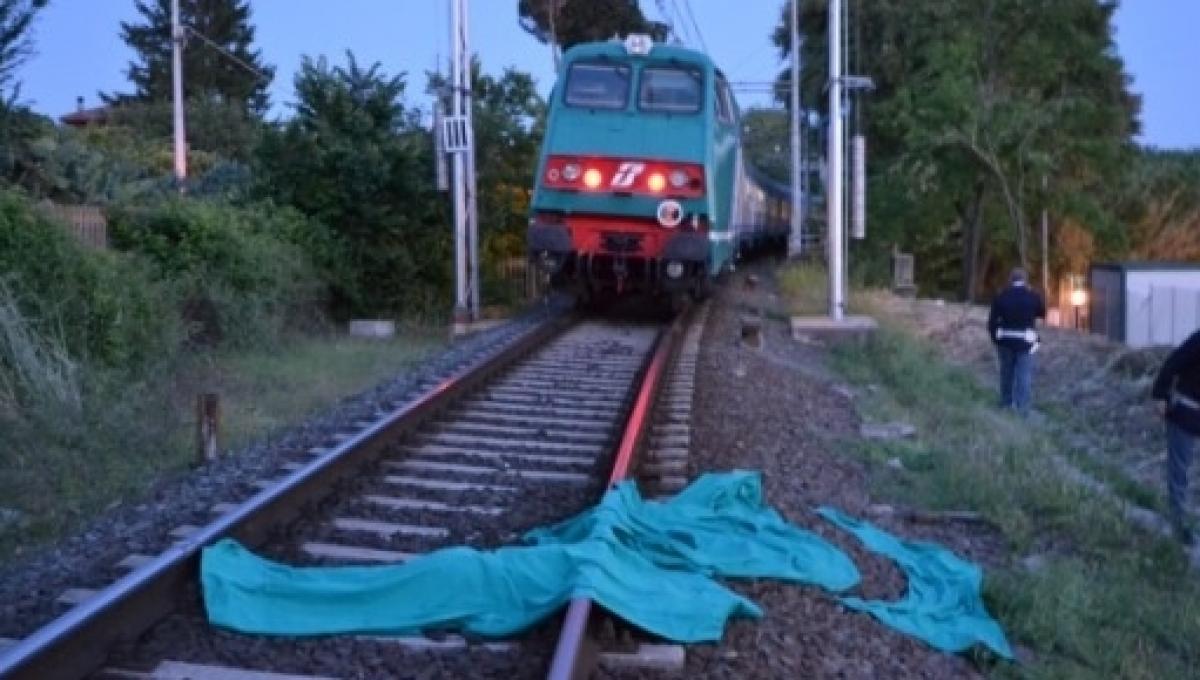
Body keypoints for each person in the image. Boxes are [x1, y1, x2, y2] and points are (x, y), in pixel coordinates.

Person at [1151, 329, 1200, 546]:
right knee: (1180, 469)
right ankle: (1178, 524)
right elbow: (1173, 362)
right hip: (1186, 411)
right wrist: (1160, 394)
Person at [986, 267, 1046, 416]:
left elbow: (991, 322)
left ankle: (1005, 402)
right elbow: (1042, 312)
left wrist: (995, 339)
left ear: (1010, 280)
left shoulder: (1001, 296)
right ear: (1025, 280)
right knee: (1023, 374)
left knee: (1006, 372)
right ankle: (1022, 407)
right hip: (1025, 340)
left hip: (1005, 340)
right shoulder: (1032, 296)